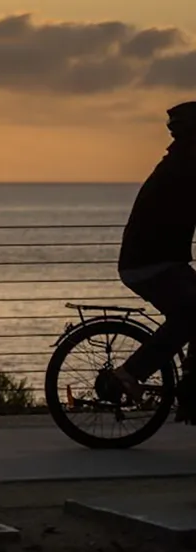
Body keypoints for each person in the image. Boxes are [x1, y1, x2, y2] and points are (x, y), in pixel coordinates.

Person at [100, 100, 196, 418]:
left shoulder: (180, 161)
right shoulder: (185, 166)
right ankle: (131, 373)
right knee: (189, 315)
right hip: (150, 264)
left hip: (160, 260)